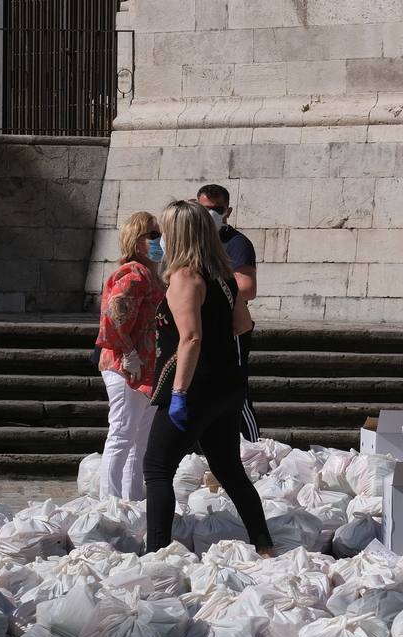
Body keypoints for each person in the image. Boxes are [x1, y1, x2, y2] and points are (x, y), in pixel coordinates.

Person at [143, 200, 273, 556]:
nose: (160, 239)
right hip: (225, 386)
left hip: (194, 386)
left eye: (164, 231)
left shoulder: (185, 277)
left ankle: (156, 552)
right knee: (229, 470)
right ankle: (264, 545)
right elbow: (243, 325)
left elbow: (191, 337)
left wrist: (180, 393)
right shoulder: (222, 278)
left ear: (178, 234)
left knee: (156, 468)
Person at [94, 211, 166, 501]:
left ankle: (132, 500)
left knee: (140, 439)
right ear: (136, 242)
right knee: (123, 434)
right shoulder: (134, 273)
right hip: (127, 366)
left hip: (145, 367)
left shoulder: (150, 275)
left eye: (158, 233)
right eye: (152, 234)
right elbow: (114, 315)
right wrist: (128, 352)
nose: (159, 239)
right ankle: (110, 502)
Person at [197, 184, 260, 440]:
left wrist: (209, 292)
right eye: (205, 209)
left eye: (217, 209)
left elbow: (247, 287)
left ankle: (252, 443)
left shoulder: (236, 244)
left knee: (235, 388)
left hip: (228, 325)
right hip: (199, 324)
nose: (211, 214)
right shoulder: (193, 242)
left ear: (228, 211)